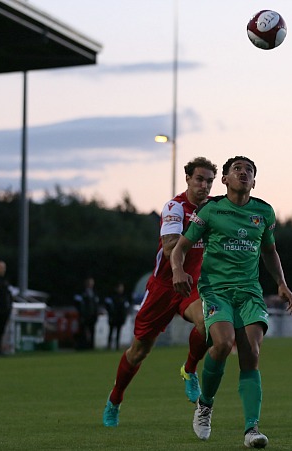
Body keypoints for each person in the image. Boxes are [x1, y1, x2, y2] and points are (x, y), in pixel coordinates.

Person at [171, 155, 292, 448]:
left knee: (251, 352)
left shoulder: (264, 212)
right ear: (225, 179)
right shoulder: (211, 210)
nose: (243, 173)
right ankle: (205, 404)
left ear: (254, 181)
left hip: (250, 292)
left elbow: (269, 251)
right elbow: (181, 247)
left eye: (249, 170)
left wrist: (281, 283)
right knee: (224, 343)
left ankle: (251, 429)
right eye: (236, 169)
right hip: (216, 290)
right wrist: (177, 269)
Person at [102, 157, 218, 427]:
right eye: (199, 179)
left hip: (192, 286)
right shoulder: (175, 207)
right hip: (163, 288)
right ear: (188, 179)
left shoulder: (214, 210)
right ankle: (115, 399)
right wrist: (178, 270)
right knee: (139, 351)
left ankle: (189, 370)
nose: (204, 186)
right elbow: (169, 248)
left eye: (209, 181)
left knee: (208, 322)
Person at [74, 276, 99, 350]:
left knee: (92, 331)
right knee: (83, 332)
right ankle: (83, 346)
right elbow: (78, 304)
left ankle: (91, 346)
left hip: (92, 316)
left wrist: (95, 314)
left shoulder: (94, 293)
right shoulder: (81, 293)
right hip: (84, 316)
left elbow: (96, 305)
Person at [105, 282, 131, 350]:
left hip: (120, 318)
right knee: (111, 331)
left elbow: (125, 308)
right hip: (113, 317)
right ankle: (109, 345)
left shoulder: (123, 298)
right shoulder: (113, 297)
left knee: (118, 332)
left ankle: (117, 345)